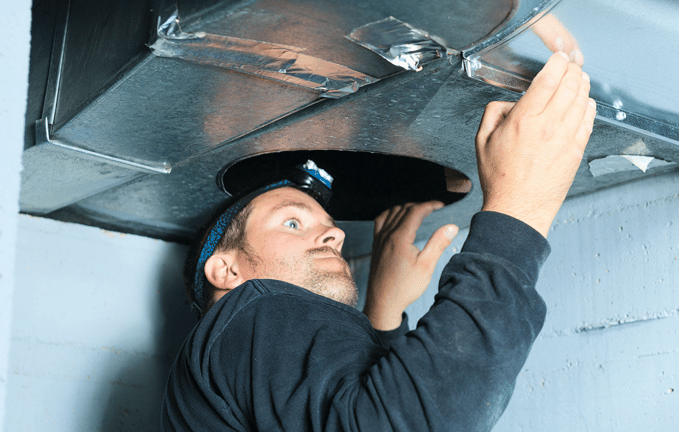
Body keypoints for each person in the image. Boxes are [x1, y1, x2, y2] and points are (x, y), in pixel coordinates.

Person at [161, 50, 596, 431]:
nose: (334, 233)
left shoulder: (231, 362)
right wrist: (518, 208)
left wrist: (382, 318)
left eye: (329, 225)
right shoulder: (250, 311)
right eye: (292, 223)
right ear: (227, 270)